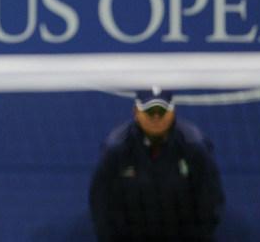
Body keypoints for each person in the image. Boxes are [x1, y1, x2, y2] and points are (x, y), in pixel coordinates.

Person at [89, 88, 225, 242]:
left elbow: (210, 201)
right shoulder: (116, 149)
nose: (156, 117)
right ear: (136, 112)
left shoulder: (194, 146)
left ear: (172, 112)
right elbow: (101, 203)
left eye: (162, 110)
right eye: (149, 111)